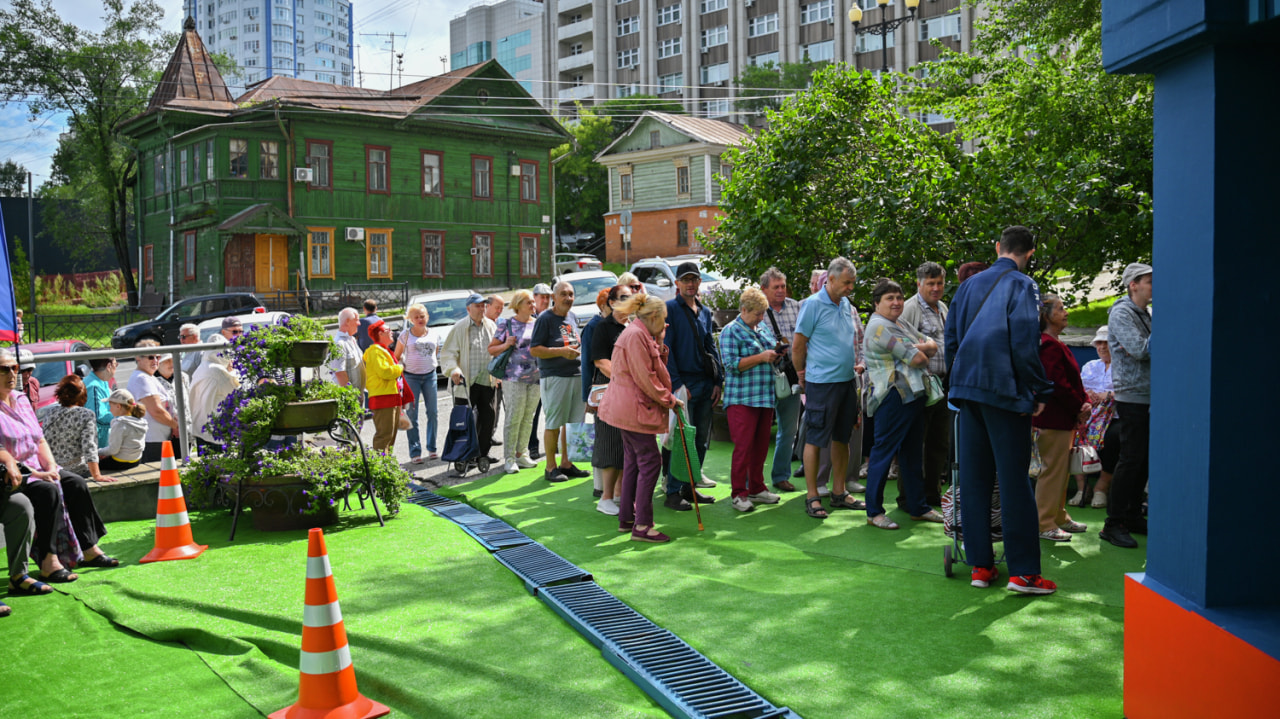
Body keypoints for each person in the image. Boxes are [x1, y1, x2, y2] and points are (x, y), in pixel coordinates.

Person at [945, 225, 1057, 595]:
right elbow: (1025, 342)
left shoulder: (968, 285)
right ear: (1030, 253)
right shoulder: (1023, 285)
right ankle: (1024, 573)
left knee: (974, 480)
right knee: (1013, 482)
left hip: (967, 390)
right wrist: (1039, 388)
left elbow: (952, 342)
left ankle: (981, 565)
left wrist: (956, 385)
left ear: (998, 247)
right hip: (1004, 391)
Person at [0, 349, 119, 589]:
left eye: (14, 367)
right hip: (14, 473)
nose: (12, 373)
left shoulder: (21, 399)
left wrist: (52, 467)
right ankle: (48, 560)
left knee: (75, 482)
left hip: (37, 464)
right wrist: (39, 473)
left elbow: (39, 439)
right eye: (4, 369)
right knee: (47, 490)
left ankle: (89, 549)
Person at [598, 295, 682, 543]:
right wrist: (669, 399)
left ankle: (627, 518)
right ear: (654, 316)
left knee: (634, 460)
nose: (665, 323)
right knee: (650, 461)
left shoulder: (639, 333)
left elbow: (653, 369)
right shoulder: (636, 335)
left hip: (628, 409)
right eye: (664, 318)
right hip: (633, 409)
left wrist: (660, 342)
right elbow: (646, 377)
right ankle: (642, 525)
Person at [862, 279, 942, 529]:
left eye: (898, 297)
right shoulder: (879, 328)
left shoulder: (900, 323)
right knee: (883, 453)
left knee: (912, 453)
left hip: (913, 395)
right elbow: (919, 358)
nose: (896, 302)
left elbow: (934, 345)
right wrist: (920, 349)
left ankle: (918, 507)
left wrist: (917, 347)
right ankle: (874, 511)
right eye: (889, 298)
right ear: (876, 304)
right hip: (892, 396)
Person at [792, 258, 863, 519]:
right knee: (815, 438)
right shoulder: (812, 305)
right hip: (821, 384)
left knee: (842, 437)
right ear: (830, 280)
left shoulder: (845, 304)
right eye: (847, 282)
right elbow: (798, 346)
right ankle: (812, 496)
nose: (850, 288)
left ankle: (839, 491)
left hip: (846, 382)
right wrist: (802, 375)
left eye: (853, 282)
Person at [661, 261, 722, 511]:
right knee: (682, 439)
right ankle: (673, 490)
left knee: (700, 441)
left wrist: (718, 380)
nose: (689, 284)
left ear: (699, 282)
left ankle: (690, 486)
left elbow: (710, 346)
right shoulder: (670, 310)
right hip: (683, 383)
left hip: (705, 384)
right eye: (685, 279)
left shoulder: (705, 312)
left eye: (693, 279)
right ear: (677, 283)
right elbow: (668, 350)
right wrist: (677, 384)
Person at [1101, 262, 1152, 549]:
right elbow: (1141, 350)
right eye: (1149, 281)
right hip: (1132, 394)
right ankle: (1113, 523)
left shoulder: (1144, 313)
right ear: (1133, 284)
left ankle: (1131, 515)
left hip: (1147, 394)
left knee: (1142, 458)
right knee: (1131, 458)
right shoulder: (1122, 312)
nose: (1154, 286)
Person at [1031, 293, 1090, 542]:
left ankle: (1059, 516)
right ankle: (1044, 522)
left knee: (1060, 471)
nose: (1066, 312)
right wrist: (1080, 406)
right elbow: (1057, 384)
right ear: (1047, 315)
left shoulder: (1054, 342)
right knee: (1052, 471)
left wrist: (1082, 402)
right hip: (1052, 420)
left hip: (1062, 419)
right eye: (1061, 308)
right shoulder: (1048, 344)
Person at [718, 287, 781, 512]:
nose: (761, 318)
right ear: (744, 310)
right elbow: (731, 365)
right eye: (757, 313)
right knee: (743, 447)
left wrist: (775, 353)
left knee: (761, 447)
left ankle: (756, 487)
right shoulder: (730, 331)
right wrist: (762, 357)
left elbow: (768, 352)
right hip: (742, 398)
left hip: (764, 397)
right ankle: (738, 493)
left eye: (763, 313)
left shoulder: (761, 327)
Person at [898, 261, 950, 508]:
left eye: (939, 282)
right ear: (919, 284)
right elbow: (899, 346)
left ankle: (931, 494)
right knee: (914, 443)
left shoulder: (943, 308)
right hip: (917, 386)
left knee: (938, 443)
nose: (936, 287)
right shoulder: (909, 308)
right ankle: (909, 497)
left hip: (942, 386)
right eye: (930, 283)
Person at [531, 282, 590, 482]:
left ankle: (567, 463)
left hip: (576, 375)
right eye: (563, 294)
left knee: (573, 423)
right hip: (555, 376)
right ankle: (550, 467)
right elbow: (534, 349)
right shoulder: (545, 318)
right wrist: (561, 352)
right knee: (554, 422)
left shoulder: (571, 317)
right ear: (554, 297)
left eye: (571, 294)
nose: (568, 298)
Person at [587, 285, 633, 514]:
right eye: (623, 297)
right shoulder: (603, 327)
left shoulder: (633, 326)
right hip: (610, 394)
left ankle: (620, 495)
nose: (629, 300)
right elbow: (600, 361)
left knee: (626, 446)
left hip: (629, 396)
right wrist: (624, 377)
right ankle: (605, 498)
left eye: (631, 297)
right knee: (610, 445)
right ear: (612, 302)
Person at [440, 293, 499, 464]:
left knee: (489, 418)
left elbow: (495, 350)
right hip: (465, 383)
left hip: (486, 380)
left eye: (483, 306)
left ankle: (482, 454)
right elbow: (449, 353)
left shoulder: (491, 325)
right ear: (468, 309)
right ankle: (463, 455)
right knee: (464, 421)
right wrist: (454, 370)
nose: (482, 309)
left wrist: (499, 372)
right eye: (478, 306)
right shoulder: (459, 327)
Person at [489, 290, 541, 474]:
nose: (533, 305)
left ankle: (522, 453)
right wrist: (506, 344)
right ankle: (509, 458)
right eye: (529, 302)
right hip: (513, 377)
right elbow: (492, 349)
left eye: (533, 302)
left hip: (536, 377)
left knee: (528, 417)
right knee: (514, 417)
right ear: (518, 304)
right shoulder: (507, 324)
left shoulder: (537, 323)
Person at [760, 267, 803, 492]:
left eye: (783, 286)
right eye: (775, 287)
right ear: (763, 289)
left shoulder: (797, 307)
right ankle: (753, 482)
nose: (780, 290)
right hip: (764, 378)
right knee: (758, 432)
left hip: (791, 375)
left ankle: (781, 476)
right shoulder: (756, 310)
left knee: (789, 430)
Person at [1072, 325, 1120, 508]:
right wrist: (1087, 395)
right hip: (1090, 415)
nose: (1102, 347)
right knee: (1076, 435)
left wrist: (1107, 396)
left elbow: (1127, 391)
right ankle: (1082, 488)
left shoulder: (1123, 367)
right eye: (1099, 343)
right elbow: (1079, 388)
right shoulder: (1090, 366)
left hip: (1114, 416)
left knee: (1113, 438)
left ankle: (1101, 487)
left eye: (1106, 343)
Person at [40, 375, 116, 483]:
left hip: (55, 470)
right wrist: (97, 475)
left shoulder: (50, 413)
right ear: (83, 395)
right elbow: (89, 447)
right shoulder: (86, 415)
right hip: (78, 471)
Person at [395, 303, 440, 463]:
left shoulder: (434, 334)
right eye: (416, 317)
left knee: (433, 412)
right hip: (411, 377)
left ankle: (432, 448)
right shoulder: (405, 335)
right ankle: (415, 452)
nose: (420, 319)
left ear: (427, 317)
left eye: (422, 316)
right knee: (412, 414)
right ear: (411, 319)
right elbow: (397, 355)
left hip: (430, 376)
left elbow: (435, 352)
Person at [579, 288, 613, 498]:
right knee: (601, 437)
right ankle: (599, 485)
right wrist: (586, 396)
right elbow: (586, 364)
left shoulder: (612, 325)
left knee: (607, 437)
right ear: (603, 306)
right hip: (599, 388)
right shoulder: (593, 326)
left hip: (609, 389)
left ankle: (605, 485)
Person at [128, 339, 179, 462]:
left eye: (158, 357)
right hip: (152, 439)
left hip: (159, 437)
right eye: (151, 357)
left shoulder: (149, 377)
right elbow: (156, 410)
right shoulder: (141, 379)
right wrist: (175, 426)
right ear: (138, 358)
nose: (156, 361)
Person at [189, 335, 239, 454]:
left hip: (201, 429)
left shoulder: (201, 368)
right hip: (217, 434)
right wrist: (233, 372)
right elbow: (237, 393)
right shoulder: (218, 372)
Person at [363, 319, 404, 453]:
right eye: (388, 330)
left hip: (389, 396)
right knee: (384, 436)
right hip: (383, 398)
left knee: (390, 436)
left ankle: (387, 466)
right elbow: (385, 372)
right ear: (380, 334)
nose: (392, 332)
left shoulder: (382, 350)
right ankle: (379, 468)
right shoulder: (376, 351)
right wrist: (400, 367)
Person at [526, 283, 554, 459]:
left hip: (551, 370)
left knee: (552, 411)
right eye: (542, 297)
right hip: (532, 373)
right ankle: (532, 446)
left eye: (548, 297)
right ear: (534, 298)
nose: (545, 300)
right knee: (533, 413)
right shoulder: (527, 318)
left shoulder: (553, 316)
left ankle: (554, 445)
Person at [98, 389, 147, 472]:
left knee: (91, 465)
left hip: (120, 462)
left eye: (110, 406)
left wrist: (98, 452)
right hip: (136, 460)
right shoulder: (140, 421)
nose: (110, 410)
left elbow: (113, 450)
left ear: (118, 406)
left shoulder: (120, 423)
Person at [156, 356, 192, 442]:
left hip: (186, 428)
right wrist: (174, 426)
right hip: (166, 432)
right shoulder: (153, 381)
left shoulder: (182, 377)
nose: (171, 363)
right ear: (158, 364)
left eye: (173, 360)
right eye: (167, 361)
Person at [328, 307, 365, 390]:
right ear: (348, 321)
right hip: (350, 398)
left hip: (358, 395)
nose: (359, 323)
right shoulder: (339, 344)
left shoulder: (351, 339)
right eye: (357, 320)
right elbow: (340, 373)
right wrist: (351, 396)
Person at [84, 357, 116, 448]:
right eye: (115, 364)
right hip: (98, 446)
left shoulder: (102, 380)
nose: (116, 368)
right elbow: (98, 417)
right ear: (109, 366)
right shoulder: (94, 387)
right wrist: (122, 416)